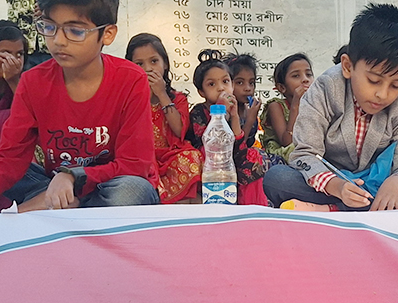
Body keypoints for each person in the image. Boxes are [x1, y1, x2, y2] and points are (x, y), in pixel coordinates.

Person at [0, 0, 159, 210]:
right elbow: (11, 156)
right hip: (54, 185)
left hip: (108, 187)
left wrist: (73, 176)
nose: (58, 41)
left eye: (75, 31)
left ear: (107, 34)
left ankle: (46, 205)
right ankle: (55, 202)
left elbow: (135, 164)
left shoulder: (130, 79)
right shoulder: (33, 81)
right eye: (49, 26)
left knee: (132, 190)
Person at [263, 4, 398, 211]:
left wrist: (397, 181)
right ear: (348, 66)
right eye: (374, 81)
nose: (383, 94)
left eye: (395, 85)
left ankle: (331, 210)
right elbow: (305, 154)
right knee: (277, 179)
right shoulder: (325, 88)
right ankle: (351, 209)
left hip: (376, 186)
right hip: (330, 184)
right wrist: (337, 186)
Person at [126, 33, 202, 203]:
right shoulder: (128, 97)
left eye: (154, 61)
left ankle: (178, 202)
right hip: (143, 156)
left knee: (192, 157)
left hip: (169, 156)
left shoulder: (178, 98)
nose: (148, 68)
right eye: (139, 64)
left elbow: (179, 130)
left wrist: (161, 94)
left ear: (165, 64)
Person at [187, 50, 267, 204]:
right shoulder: (199, 112)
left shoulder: (233, 107)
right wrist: (221, 112)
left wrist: (234, 115)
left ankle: (253, 206)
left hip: (231, 159)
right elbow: (210, 145)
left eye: (225, 81)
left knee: (253, 156)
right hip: (209, 161)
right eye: (212, 84)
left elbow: (239, 146)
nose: (221, 88)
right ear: (201, 92)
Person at [258, 53, 312, 161]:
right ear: (282, 87)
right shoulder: (276, 106)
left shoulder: (313, 105)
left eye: (308, 74)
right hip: (282, 155)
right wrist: (295, 105)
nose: (305, 79)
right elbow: (287, 142)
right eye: (296, 76)